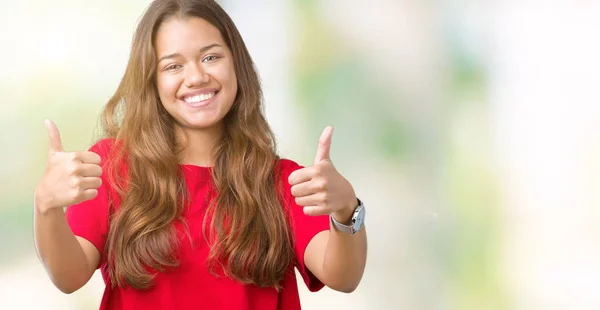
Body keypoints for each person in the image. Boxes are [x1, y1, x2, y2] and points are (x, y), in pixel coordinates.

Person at [33, 0, 367, 309]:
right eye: (173, 66)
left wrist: (346, 210)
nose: (196, 77)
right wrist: (46, 206)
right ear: (151, 80)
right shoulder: (113, 167)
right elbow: (68, 276)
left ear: (236, 63)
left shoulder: (280, 181)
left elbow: (343, 277)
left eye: (211, 57)